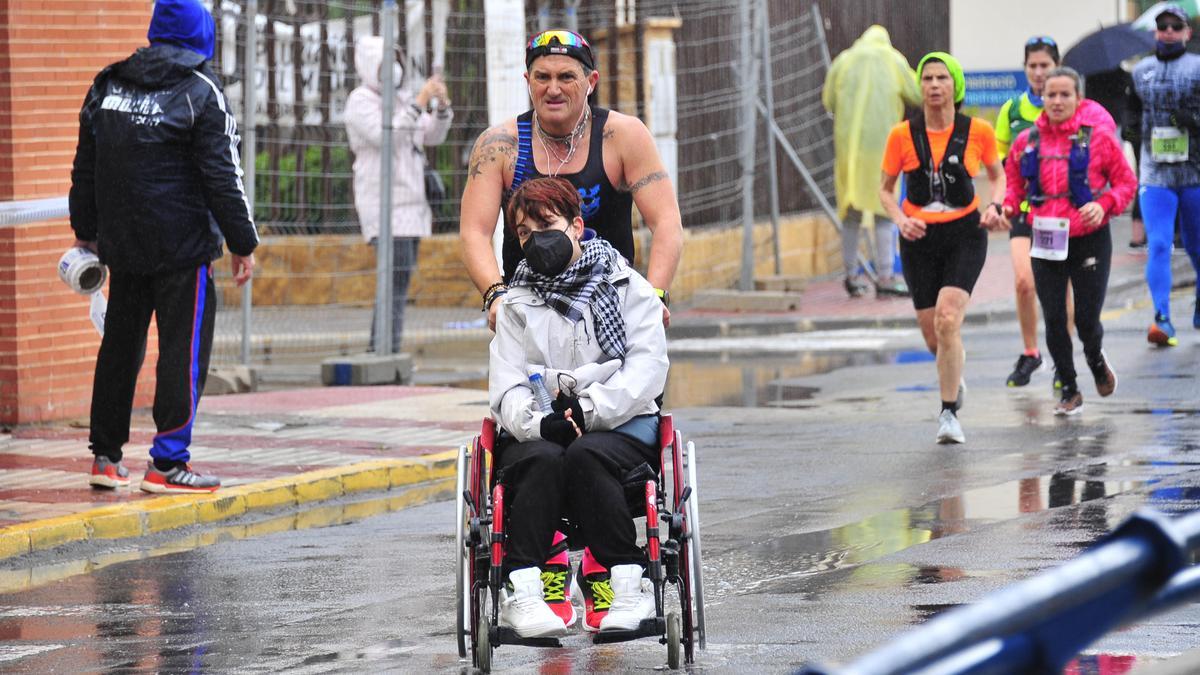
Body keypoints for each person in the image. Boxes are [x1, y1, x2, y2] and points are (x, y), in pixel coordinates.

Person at [70, 0, 257, 493]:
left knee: (120, 346)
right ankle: (168, 462)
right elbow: (224, 176)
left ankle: (105, 458)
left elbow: (84, 166)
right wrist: (243, 242)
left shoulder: (106, 85)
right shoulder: (202, 91)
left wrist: (85, 234)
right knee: (183, 351)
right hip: (183, 249)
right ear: (203, 34)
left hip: (122, 245)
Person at [488, 177, 668, 638]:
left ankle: (629, 586)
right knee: (546, 458)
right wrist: (539, 424)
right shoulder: (514, 305)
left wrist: (588, 412)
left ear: (576, 225)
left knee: (588, 453)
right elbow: (506, 386)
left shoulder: (628, 287)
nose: (536, 240)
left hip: (622, 422)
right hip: (539, 429)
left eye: (546, 224)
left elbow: (647, 369)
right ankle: (522, 591)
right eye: (524, 234)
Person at [459, 29, 683, 332]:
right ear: (528, 81)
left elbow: (666, 220)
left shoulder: (623, 136)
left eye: (566, 77)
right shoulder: (499, 146)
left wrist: (655, 295)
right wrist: (495, 294)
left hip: (610, 305)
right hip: (528, 310)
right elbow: (474, 231)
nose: (553, 89)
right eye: (542, 78)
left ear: (591, 82)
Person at [878, 52, 1008, 445]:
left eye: (942, 78)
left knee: (948, 320)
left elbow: (997, 176)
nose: (934, 85)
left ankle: (948, 414)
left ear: (956, 86)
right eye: (927, 79)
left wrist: (995, 205)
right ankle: (954, 374)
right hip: (918, 239)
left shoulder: (979, 131)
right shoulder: (902, 134)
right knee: (934, 335)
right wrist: (901, 220)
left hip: (965, 234)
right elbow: (885, 191)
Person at [1004, 67, 1135, 416]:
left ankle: (1095, 358)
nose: (1058, 101)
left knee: (1087, 321)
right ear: (1042, 99)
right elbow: (1014, 186)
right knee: (1054, 318)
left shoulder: (1098, 139)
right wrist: (1005, 207)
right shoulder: (1026, 142)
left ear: (1078, 99)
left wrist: (1103, 204)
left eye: (1065, 95)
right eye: (1052, 95)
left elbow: (1125, 183)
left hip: (1089, 238)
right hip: (1045, 239)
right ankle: (1070, 388)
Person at [345, 36, 452, 353]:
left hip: (411, 203)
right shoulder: (360, 101)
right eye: (382, 64)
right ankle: (382, 350)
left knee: (399, 280)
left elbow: (432, 134)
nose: (391, 71)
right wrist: (419, 103)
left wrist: (441, 106)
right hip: (382, 204)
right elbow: (384, 136)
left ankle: (384, 348)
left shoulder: (405, 99)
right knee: (391, 279)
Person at [822, 25, 921, 298]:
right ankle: (887, 277)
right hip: (883, 148)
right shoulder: (893, 59)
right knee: (884, 211)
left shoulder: (844, 60)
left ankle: (851, 276)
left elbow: (828, 100)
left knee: (850, 213)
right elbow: (916, 93)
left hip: (848, 150)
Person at [1126, 3, 1200, 346]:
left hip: (1194, 174)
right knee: (1158, 244)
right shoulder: (1141, 72)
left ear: (1187, 32)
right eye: (1162, 26)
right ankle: (1162, 319)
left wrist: (1194, 122)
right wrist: (1129, 129)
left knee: (1197, 249)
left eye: (1175, 26)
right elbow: (1131, 110)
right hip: (1155, 174)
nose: (1168, 31)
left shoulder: (1198, 69)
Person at [995, 37, 1059, 388]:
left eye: (1044, 66)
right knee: (1024, 282)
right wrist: (1003, 199)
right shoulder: (1012, 110)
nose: (1038, 73)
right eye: (1032, 66)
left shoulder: (1065, 106)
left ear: (1056, 67)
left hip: (1059, 212)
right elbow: (1000, 161)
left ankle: (1061, 360)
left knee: (1059, 286)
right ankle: (1031, 352)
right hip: (1023, 210)